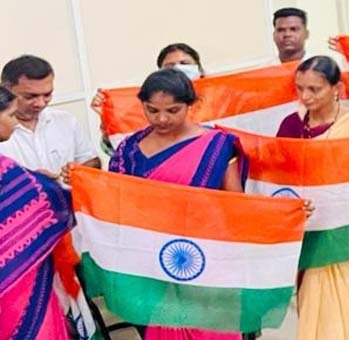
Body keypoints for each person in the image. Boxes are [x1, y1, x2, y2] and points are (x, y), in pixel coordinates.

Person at [94, 69, 245, 339]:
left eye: (173, 111)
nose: (162, 119)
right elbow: (115, 200)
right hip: (150, 261)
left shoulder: (216, 145)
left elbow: (236, 205)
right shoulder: (129, 149)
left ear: (190, 105)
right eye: (152, 110)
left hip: (204, 259)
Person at [277, 57, 349, 339]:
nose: (305, 96)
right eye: (300, 88)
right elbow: (279, 176)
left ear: (336, 88)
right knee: (319, 317)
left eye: (314, 89)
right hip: (313, 235)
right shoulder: (291, 126)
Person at [0, 114, 73, 339]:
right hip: (17, 282)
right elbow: (53, 203)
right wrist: (47, 185)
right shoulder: (7, 171)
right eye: (11, 114)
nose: (15, 122)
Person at [0, 55, 99, 180]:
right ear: (6, 89)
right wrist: (28, 181)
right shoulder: (3, 132)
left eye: (47, 95)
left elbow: (91, 161)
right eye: (30, 96)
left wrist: (78, 172)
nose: (41, 103)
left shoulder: (66, 120)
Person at [91, 42, 206, 122]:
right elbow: (120, 145)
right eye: (169, 66)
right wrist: (107, 118)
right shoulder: (147, 105)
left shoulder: (215, 99)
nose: (178, 68)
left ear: (199, 69)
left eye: (184, 63)